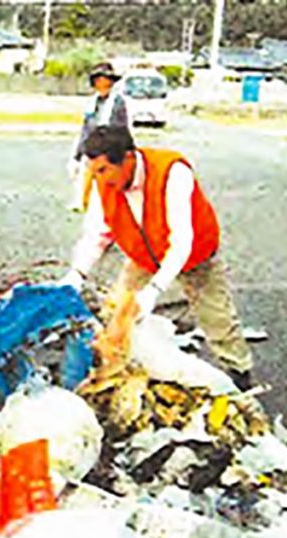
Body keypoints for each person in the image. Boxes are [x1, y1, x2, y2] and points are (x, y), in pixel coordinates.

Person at [59, 125, 255, 391]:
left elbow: (181, 242)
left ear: (128, 158)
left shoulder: (172, 173)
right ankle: (119, 370)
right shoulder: (102, 183)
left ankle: (239, 373)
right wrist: (76, 274)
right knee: (118, 312)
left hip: (193, 252)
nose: (98, 179)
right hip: (143, 255)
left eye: (103, 170)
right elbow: (96, 235)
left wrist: (153, 290)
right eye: (93, 171)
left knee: (216, 316)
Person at [68, 62, 128, 212]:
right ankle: (83, 201)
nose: (101, 84)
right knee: (83, 170)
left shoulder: (118, 103)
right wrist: (78, 154)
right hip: (93, 146)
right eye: (98, 81)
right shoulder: (92, 103)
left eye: (105, 81)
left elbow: (119, 128)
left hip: (111, 148)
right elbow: (86, 129)